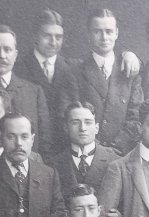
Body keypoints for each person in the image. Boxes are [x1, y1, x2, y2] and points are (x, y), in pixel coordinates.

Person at [56, 9, 138, 150]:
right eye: (97, 31)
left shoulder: (129, 71)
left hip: (122, 154)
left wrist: (116, 147)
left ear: (116, 33)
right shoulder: (74, 74)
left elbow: (136, 117)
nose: (104, 37)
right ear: (89, 35)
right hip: (88, 153)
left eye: (109, 31)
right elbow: (68, 116)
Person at [0, 25, 53, 154]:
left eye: (7, 50)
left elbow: (45, 141)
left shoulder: (34, 92)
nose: (1, 56)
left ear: (15, 54)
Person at [44, 102, 121, 198]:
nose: (82, 128)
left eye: (88, 122)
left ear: (96, 128)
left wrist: (119, 213)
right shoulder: (52, 166)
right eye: (76, 123)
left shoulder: (115, 161)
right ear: (66, 128)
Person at [16, 9, 78, 113]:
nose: (53, 43)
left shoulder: (73, 67)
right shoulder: (19, 68)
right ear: (35, 36)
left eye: (58, 37)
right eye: (46, 36)